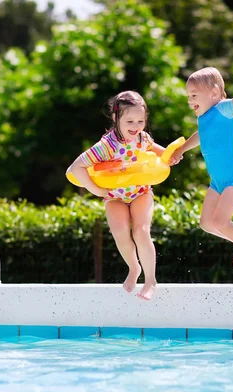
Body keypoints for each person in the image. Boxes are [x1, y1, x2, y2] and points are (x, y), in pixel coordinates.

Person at [67, 90, 180, 300]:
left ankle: (150, 281)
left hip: (140, 192)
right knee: (120, 232)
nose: (135, 126)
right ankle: (134, 267)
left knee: (141, 231)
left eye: (140, 120)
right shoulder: (107, 146)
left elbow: (153, 148)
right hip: (114, 196)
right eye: (129, 121)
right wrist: (97, 190)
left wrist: (167, 155)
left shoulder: (141, 138)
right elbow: (75, 168)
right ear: (115, 117)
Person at [169, 57, 233, 282]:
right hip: (217, 183)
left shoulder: (223, 109)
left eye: (194, 95)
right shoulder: (204, 118)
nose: (189, 100)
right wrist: (181, 149)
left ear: (214, 93)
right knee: (206, 224)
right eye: (188, 96)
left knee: (221, 222)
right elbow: (200, 137)